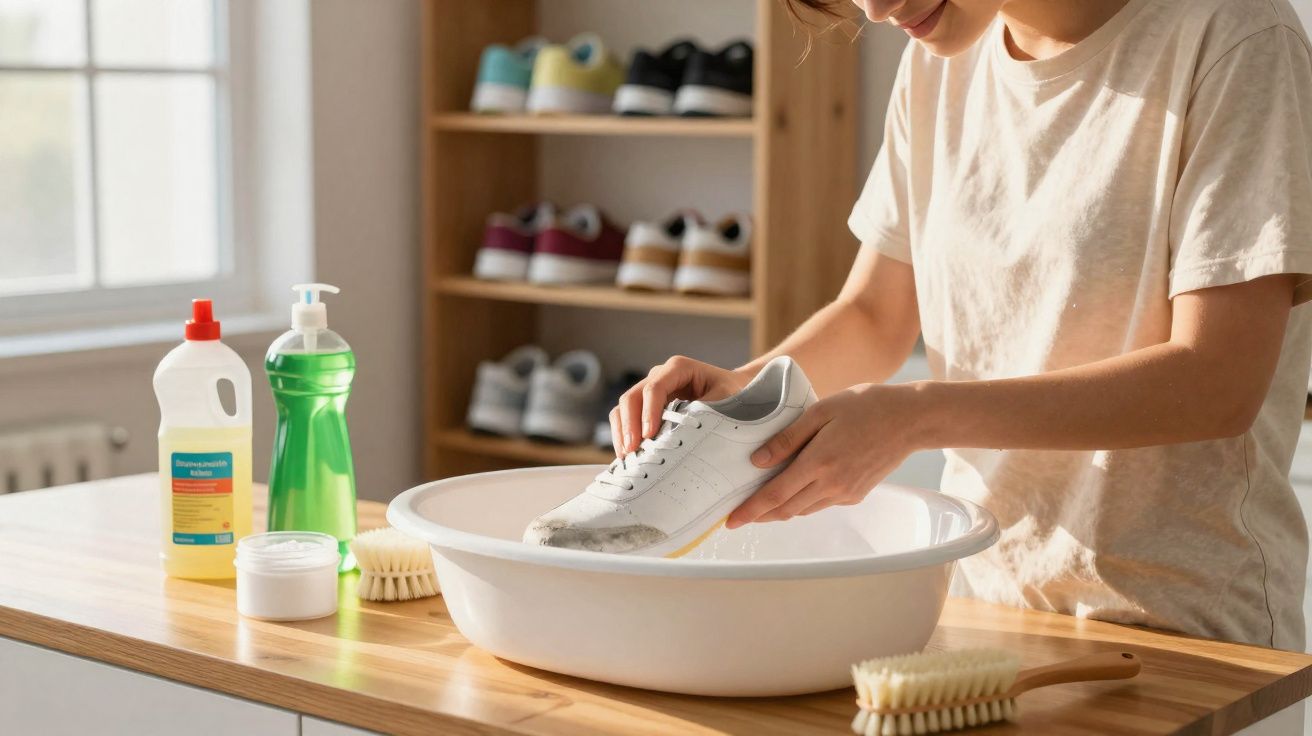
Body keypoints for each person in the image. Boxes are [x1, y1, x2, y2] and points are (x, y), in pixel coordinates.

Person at [610, 0, 1312, 650]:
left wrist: (916, 417)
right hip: (984, 604)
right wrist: (741, 391)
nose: (876, 9)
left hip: (1191, 635)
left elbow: (1217, 381)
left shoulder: (1235, 37)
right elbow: (875, 315)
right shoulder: (941, 61)